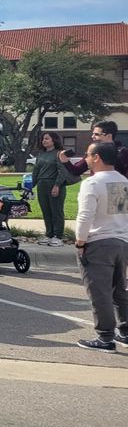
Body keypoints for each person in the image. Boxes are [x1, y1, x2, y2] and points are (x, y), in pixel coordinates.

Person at [73, 141, 128, 351]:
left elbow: (85, 215)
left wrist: (80, 241)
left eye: (88, 155)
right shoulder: (122, 181)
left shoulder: (92, 183)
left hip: (98, 242)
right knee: (120, 290)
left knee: (100, 292)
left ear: (97, 157)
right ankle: (125, 330)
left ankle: (105, 337)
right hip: (122, 241)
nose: (85, 159)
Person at [31, 131, 68, 247]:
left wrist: (57, 185)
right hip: (42, 185)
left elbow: (63, 171)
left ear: (54, 140)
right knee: (46, 211)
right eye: (43, 139)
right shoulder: (41, 154)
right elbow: (35, 171)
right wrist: (30, 186)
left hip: (55, 185)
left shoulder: (59, 154)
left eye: (47, 138)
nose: (44, 141)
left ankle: (58, 236)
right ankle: (49, 234)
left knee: (56, 211)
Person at [59, 121, 128, 178]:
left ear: (109, 136)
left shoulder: (123, 152)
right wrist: (65, 162)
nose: (92, 137)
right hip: (98, 190)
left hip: (119, 191)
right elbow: (77, 171)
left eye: (96, 134)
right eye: (93, 134)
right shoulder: (93, 151)